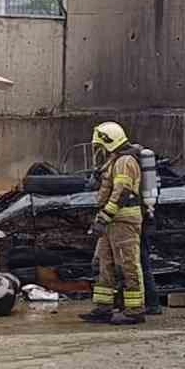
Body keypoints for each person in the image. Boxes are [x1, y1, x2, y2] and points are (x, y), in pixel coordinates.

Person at [79, 122, 148, 326]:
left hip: (123, 220)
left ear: (109, 142)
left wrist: (104, 217)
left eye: (100, 146)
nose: (98, 151)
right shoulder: (114, 160)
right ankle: (103, 308)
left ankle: (134, 311)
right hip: (111, 220)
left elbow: (122, 192)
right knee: (104, 263)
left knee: (127, 265)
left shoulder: (125, 161)